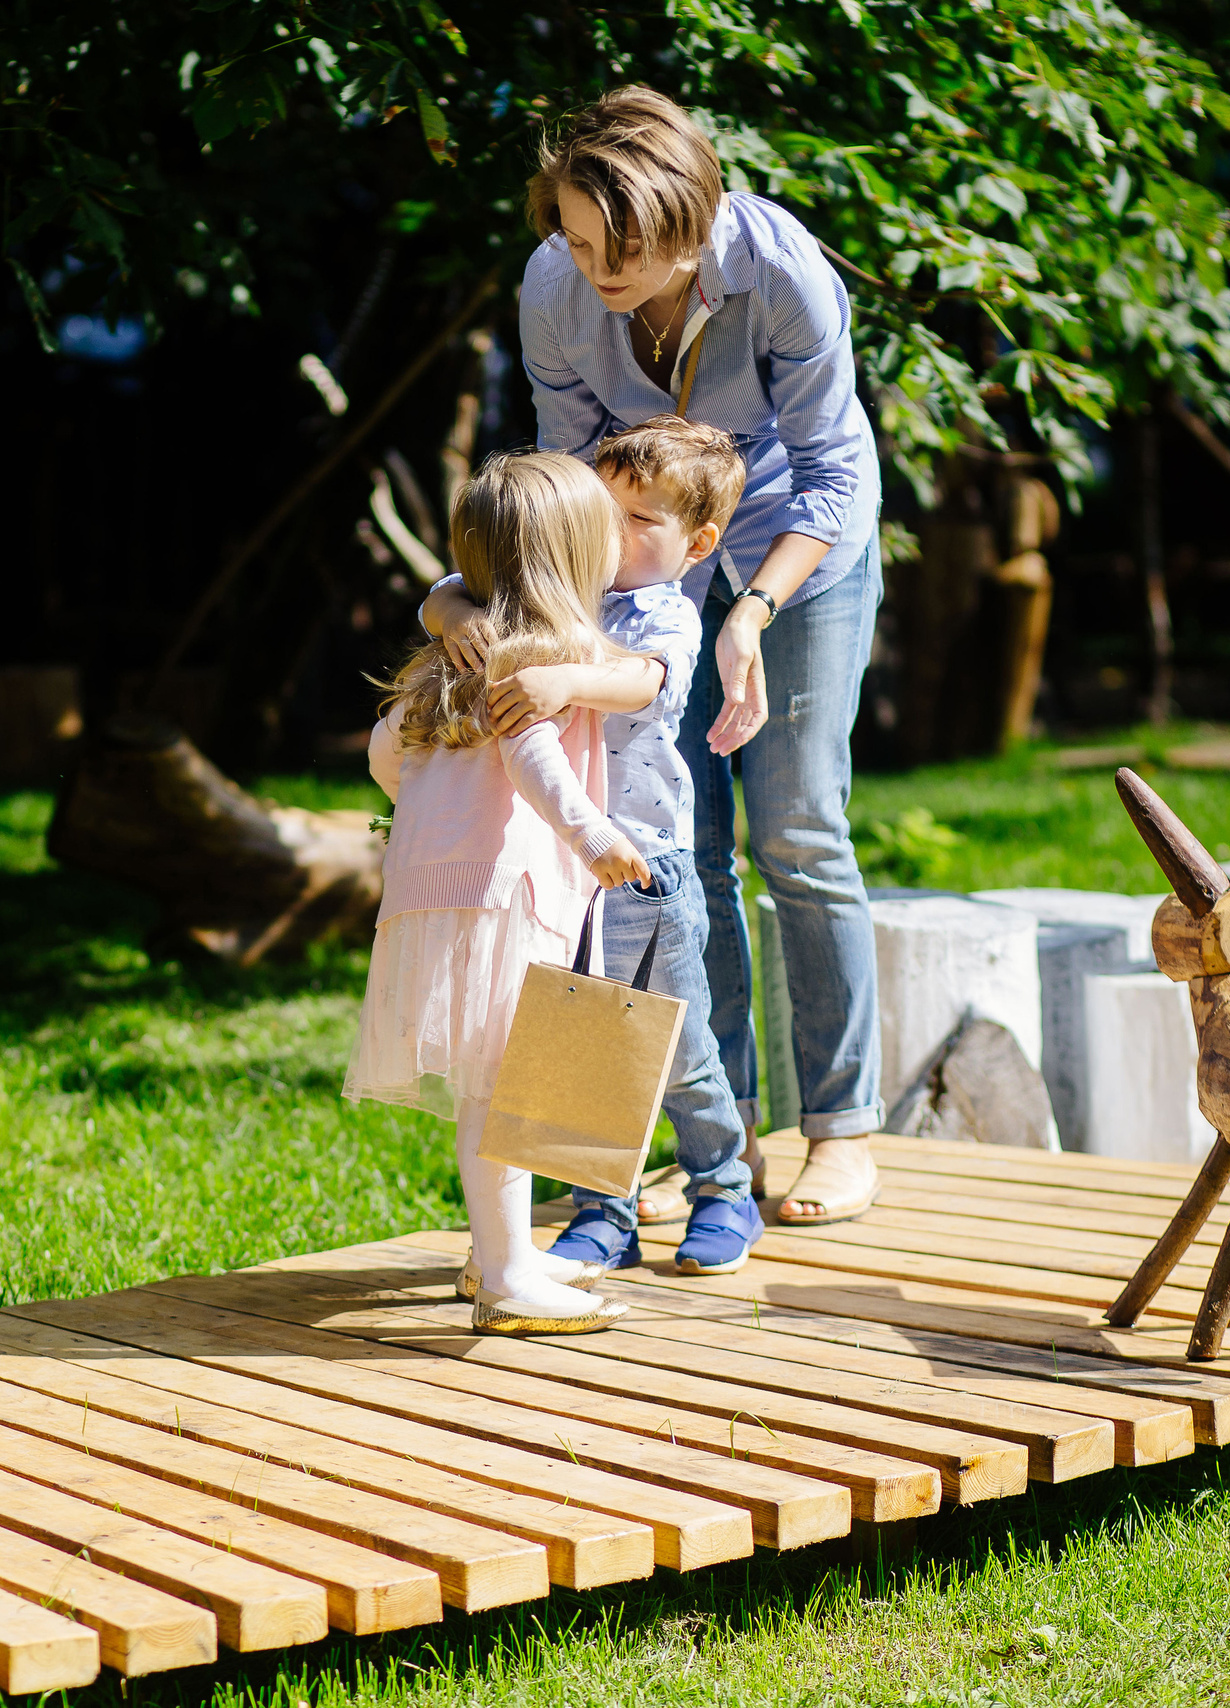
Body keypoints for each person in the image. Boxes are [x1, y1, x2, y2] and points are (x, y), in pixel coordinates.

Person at [425, 86, 887, 1226]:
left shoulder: (779, 270)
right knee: (669, 843)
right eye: (577, 240)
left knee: (795, 825)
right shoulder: (554, 285)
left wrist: (750, 611)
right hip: (637, 565)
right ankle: (704, 1131)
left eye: (618, 246)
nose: (592, 267)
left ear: (689, 224)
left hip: (796, 546)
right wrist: (516, 611)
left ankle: (838, 1128)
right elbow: (568, 481)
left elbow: (834, 471)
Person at [428, 417, 763, 1280]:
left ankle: (723, 1188)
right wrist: (459, 612)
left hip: (642, 864)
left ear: (698, 542)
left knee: (672, 1048)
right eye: (601, 510)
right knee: (575, 1047)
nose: (611, 534)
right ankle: (604, 1214)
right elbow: (439, 593)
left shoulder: (666, 613)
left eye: (639, 520)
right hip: (557, 865)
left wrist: (564, 679)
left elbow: (641, 682)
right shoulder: (568, 586)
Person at [348, 450, 653, 1332]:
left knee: (495, 1084)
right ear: (575, 556)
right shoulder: (545, 656)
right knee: (505, 1090)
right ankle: (511, 1272)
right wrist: (591, 833)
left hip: (438, 885)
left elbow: (384, 754)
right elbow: (533, 757)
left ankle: (496, 1257)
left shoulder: (446, 656)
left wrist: (428, 811)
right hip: (511, 890)